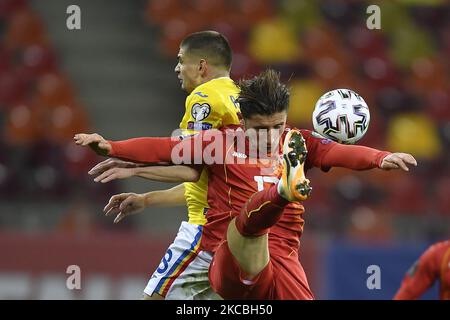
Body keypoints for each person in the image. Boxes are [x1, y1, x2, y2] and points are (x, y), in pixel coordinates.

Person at [75, 69, 417, 299]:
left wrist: (379, 158)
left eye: (277, 126)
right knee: (248, 228)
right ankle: (283, 191)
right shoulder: (218, 143)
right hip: (227, 257)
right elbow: (165, 147)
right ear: (242, 120)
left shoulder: (298, 140)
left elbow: (340, 152)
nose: (270, 137)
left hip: (283, 260)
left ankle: (282, 191)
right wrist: (112, 146)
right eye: (261, 128)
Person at [91, 30, 241, 300]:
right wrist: (147, 199)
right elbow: (208, 183)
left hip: (205, 233)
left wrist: (132, 167)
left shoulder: (205, 98)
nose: (177, 68)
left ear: (202, 66)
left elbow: (190, 169)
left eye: (181, 60)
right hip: (238, 236)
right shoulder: (241, 100)